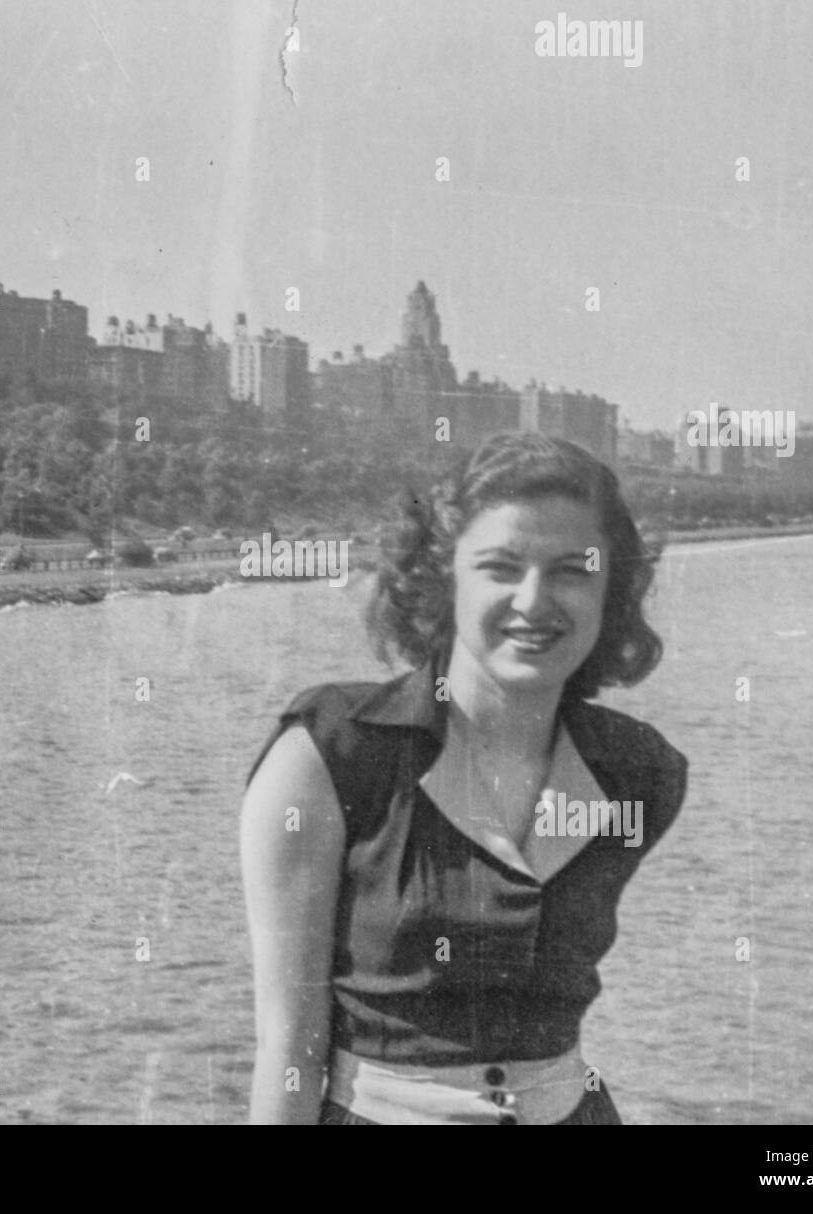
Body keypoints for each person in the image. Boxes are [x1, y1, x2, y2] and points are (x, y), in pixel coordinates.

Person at [239, 432, 688, 1125]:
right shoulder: (330, 758)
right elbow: (290, 1045)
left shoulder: (639, 776)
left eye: (572, 570)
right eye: (501, 568)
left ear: (611, 591)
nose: (535, 602)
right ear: (444, 580)